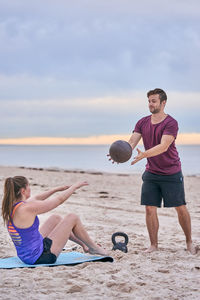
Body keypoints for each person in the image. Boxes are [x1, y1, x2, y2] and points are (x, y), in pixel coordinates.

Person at [127, 88, 197, 254]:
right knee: (149, 208)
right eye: (149, 101)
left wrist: (144, 154)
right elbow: (131, 142)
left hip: (171, 172)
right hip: (151, 172)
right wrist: (120, 152)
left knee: (180, 207)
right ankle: (153, 245)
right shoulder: (142, 122)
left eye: (154, 101)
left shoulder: (171, 123)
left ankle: (189, 242)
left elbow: (164, 146)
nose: (150, 104)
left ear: (163, 103)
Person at [1, 176, 107, 265]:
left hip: (27, 254)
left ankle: (84, 245)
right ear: (23, 191)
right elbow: (58, 200)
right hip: (40, 257)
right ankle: (94, 248)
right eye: (29, 186)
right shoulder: (26, 208)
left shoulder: (14, 206)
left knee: (55, 218)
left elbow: (38, 197)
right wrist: (74, 187)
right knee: (72, 217)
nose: (30, 189)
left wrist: (56, 189)